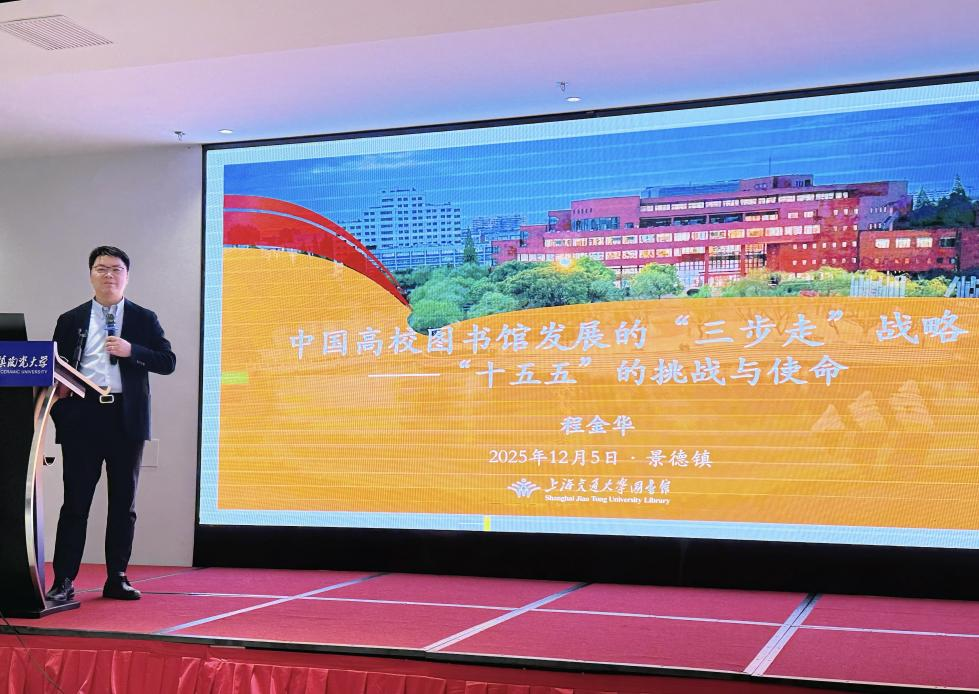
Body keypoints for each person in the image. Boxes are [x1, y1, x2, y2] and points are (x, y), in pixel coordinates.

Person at [45, 246, 176, 602]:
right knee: (75, 503)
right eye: (101, 268)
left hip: (125, 418)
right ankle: (64, 580)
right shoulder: (70, 319)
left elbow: (167, 361)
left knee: (123, 503)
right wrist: (62, 411)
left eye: (116, 269)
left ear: (127, 276)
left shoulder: (144, 318)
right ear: (90, 274)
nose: (109, 275)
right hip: (82, 417)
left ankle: (117, 577)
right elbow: (54, 367)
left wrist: (132, 351)